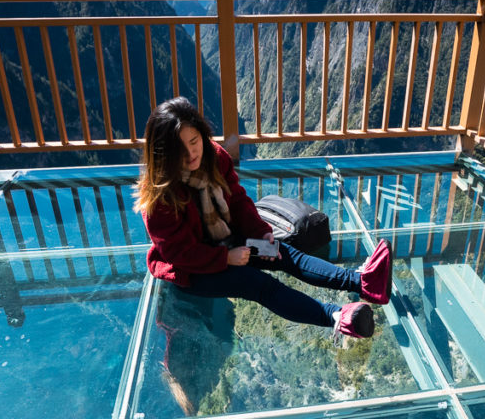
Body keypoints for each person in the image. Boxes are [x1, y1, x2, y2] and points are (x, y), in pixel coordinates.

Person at [136, 96, 392, 338]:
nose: (191, 153)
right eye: (180, 149)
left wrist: (260, 233)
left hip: (229, 241)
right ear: (163, 154)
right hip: (193, 269)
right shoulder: (159, 196)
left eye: (194, 142)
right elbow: (179, 253)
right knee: (258, 284)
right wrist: (226, 258)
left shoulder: (214, 157)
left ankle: (365, 283)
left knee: (284, 253)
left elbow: (236, 200)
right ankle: (337, 316)